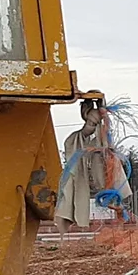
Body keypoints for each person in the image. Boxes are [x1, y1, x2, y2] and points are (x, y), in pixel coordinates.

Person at [56, 94, 111, 236]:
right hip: (77, 168)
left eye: (94, 124)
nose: (93, 127)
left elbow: (103, 133)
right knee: (71, 188)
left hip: (97, 157)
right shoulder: (73, 141)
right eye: (92, 123)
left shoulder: (100, 142)